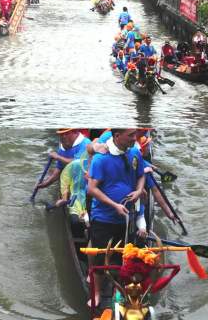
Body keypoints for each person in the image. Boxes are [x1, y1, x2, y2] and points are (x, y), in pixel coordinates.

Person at [87, 128, 148, 307]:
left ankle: (118, 292)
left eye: (135, 134)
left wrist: (138, 190)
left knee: (124, 258)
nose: (134, 138)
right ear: (117, 136)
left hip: (128, 217)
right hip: (104, 217)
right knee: (100, 259)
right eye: (130, 135)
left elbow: (141, 175)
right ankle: (97, 293)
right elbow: (92, 188)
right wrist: (114, 205)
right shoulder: (100, 159)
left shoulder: (135, 153)